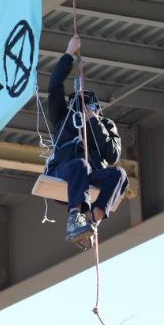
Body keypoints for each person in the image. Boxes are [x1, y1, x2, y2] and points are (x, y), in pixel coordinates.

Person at [46, 35, 128, 249]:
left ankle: (91, 222)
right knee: (80, 165)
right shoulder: (62, 117)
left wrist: (93, 122)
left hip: (88, 177)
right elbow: (54, 85)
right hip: (64, 172)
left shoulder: (105, 125)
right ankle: (75, 218)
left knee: (119, 174)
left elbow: (112, 155)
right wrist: (68, 54)